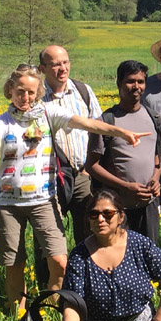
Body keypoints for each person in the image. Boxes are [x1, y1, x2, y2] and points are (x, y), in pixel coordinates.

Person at [0, 64, 148, 313]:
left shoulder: (49, 113)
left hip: (44, 200)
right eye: (20, 91)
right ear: (10, 90)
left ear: (39, 92)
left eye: (32, 92)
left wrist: (120, 132)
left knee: (59, 261)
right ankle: (17, 317)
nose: (26, 97)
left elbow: (86, 123)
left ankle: (53, 310)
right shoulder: (1, 122)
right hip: (8, 204)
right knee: (14, 264)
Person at [61, 189, 161, 321]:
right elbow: (72, 303)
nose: (100, 219)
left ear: (121, 217)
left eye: (107, 214)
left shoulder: (139, 244)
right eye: (94, 214)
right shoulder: (79, 255)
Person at [85, 60, 161, 242]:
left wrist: (155, 179)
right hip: (117, 209)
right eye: (130, 81)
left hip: (148, 205)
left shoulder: (154, 118)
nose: (136, 86)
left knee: (148, 255)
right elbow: (92, 166)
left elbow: (157, 158)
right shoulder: (105, 122)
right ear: (119, 83)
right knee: (117, 257)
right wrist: (126, 186)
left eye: (141, 81)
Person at [38, 44, 103, 245]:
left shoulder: (83, 91)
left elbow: (98, 129)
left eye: (65, 62)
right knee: (48, 236)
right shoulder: (35, 96)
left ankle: (84, 274)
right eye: (56, 64)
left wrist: (90, 168)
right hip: (49, 177)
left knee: (87, 231)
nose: (63, 68)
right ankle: (47, 277)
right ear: (42, 68)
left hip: (81, 174)